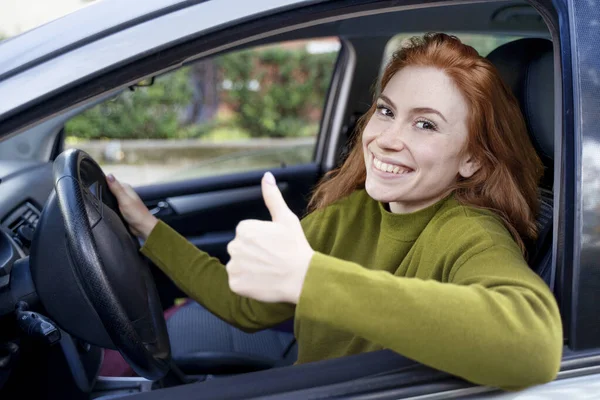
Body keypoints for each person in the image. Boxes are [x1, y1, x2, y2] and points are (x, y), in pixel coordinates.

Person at [106, 33, 562, 391]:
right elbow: (242, 306)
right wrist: (148, 227)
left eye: (425, 124)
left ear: (472, 159)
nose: (386, 138)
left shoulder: (471, 231)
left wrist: (309, 277)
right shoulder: (357, 210)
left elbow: (534, 345)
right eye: (386, 111)